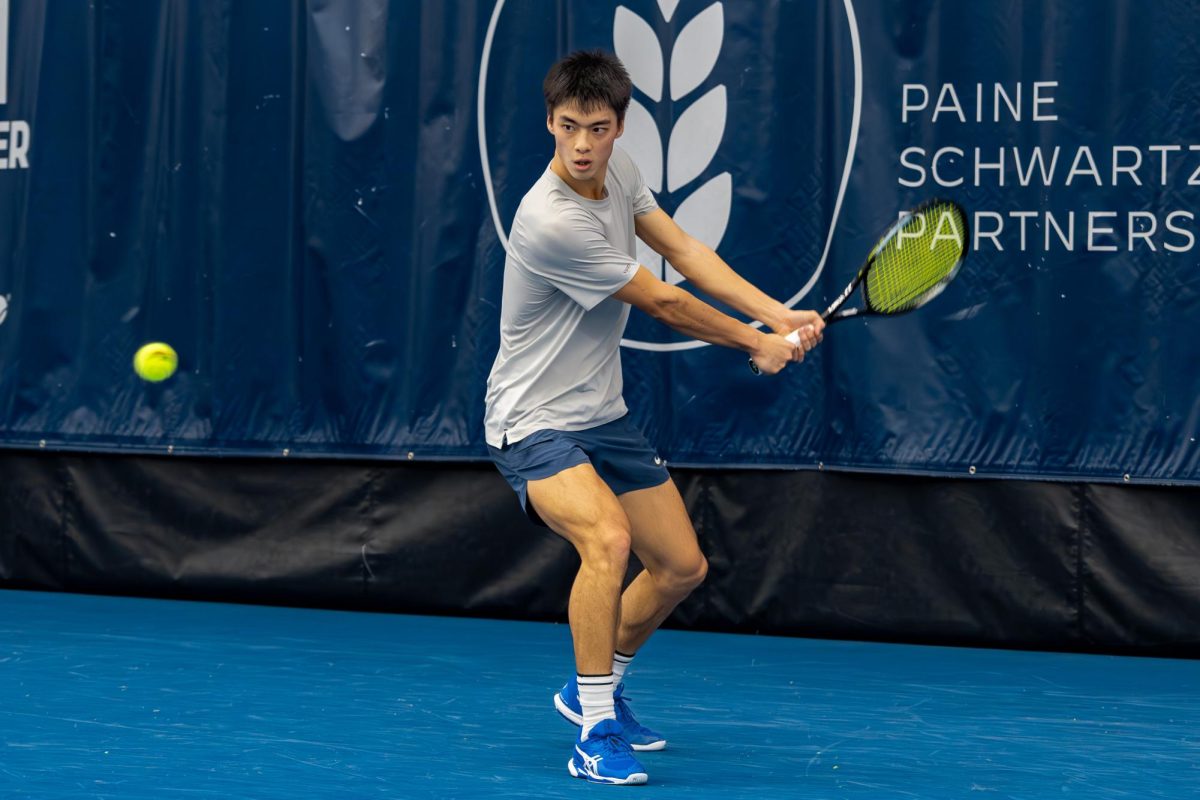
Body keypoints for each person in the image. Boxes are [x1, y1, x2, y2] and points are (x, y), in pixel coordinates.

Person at [483, 50, 824, 785]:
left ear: (619, 127)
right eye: (567, 126)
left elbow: (685, 250)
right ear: (549, 122)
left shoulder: (621, 172)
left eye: (597, 128)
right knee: (607, 539)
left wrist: (776, 313)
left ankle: (592, 687)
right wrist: (755, 343)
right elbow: (665, 302)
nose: (581, 145)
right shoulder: (550, 219)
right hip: (532, 419)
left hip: (601, 412)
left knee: (679, 567)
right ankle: (595, 730)